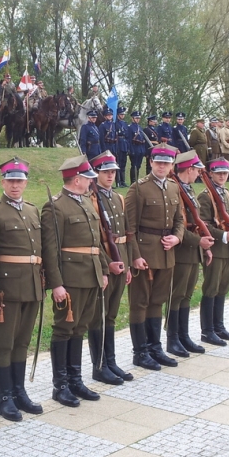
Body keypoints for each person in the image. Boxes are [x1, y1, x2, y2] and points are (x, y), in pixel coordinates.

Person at [41, 155, 109, 407]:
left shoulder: (86, 202)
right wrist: (56, 283)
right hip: (70, 278)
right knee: (64, 328)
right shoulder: (55, 207)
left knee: (80, 328)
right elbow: (50, 249)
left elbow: (95, 242)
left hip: (90, 274)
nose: (92, 182)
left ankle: (75, 380)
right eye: (88, 178)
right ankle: (60, 386)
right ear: (77, 179)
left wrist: (103, 270)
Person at [0, 158, 45, 421]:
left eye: (19, 181)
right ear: (3, 182)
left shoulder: (32, 211)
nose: (15, 185)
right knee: (4, 344)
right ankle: (5, 397)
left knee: (22, 342)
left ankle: (19, 392)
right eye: (10, 181)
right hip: (7, 289)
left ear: (25, 183)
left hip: (32, 285)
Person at [125, 144, 185, 370]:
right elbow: (129, 228)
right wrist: (135, 256)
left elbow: (179, 220)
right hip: (145, 254)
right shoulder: (139, 189)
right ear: (151, 162)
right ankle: (140, 351)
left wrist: (177, 238)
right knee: (140, 302)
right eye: (158, 162)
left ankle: (155, 347)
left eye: (166, 163)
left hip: (166, 252)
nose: (162, 166)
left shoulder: (173, 187)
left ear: (172, 165)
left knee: (157, 300)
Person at [88, 152, 133, 385]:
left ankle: (111, 361)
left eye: (113, 171)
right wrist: (107, 265)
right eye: (105, 172)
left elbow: (125, 234)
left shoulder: (117, 198)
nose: (110, 175)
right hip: (105, 264)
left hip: (121, 261)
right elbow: (94, 239)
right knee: (99, 317)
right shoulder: (91, 200)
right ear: (96, 173)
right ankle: (99, 365)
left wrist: (127, 265)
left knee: (112, 315)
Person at [168, 150, 213, 356]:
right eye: (197, 170)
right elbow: (176, 226)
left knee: (186, 295)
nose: (199, 174)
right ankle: (173, 339)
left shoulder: (189, 190)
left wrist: (205, 247)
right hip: (181, 251)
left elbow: (197, 222)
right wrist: (198, 241)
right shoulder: (176, 190)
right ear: (190, 169)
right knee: (176, 295)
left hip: (193, 251)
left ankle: (183, 336)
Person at [197, 158, 229, 346]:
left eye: (225, 173)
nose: (222, 176)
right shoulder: (205, 196)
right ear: (211, 174)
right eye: (218, 173)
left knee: (223, 288)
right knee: (211, 289)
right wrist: (223, 236)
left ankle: (219, 327)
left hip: (227, 249)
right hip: (214, 248)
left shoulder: (226, 193)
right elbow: (203, 225)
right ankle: (207, 331)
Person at [127, 111, 149, 184]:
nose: (137, 119)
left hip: (140, 148)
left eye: (138, 118)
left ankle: (136, 179)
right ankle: (133, 181)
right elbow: (129, 140)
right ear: (132, 118)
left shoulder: (139, 127)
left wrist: (143, 150)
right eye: (136, 118)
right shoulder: (130, 127)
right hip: (134, 148)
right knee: (134, 165)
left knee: (138, 165)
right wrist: (130, 150)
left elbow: (142, 139)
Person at [115, 107, 130, 188]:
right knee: (118, 163)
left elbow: (127, 135)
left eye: (123, 114)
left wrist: (128, 146)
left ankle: (123, 181)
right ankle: (118, 181)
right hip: (119, 144)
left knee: (123, 163)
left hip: (124, 144)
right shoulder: (115, 123)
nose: (122, 115)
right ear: (118, 115)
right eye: (121, 114)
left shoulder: (125, 123)